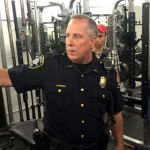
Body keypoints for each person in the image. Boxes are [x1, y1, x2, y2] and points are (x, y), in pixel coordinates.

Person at [0, 14, 123, 150]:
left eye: (77, 36)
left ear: (92, 41)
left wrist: (120, 144)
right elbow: (5, 77)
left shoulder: (106, 72)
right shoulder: (49, 65)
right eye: (68, 35)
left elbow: (115, 112)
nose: (69, 42)